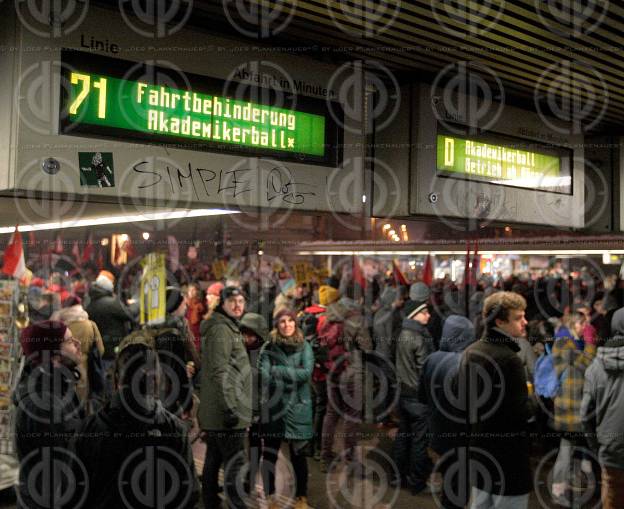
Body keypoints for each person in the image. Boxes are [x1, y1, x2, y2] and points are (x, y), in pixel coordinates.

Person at [69, 341, 200, 508]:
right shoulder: (174, 429)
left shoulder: (89, 429)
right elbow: (189, 494)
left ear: (116, 379)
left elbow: (72, 494)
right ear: (157, 381)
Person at [459, 291, 532, 509]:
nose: (525, 322)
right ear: (499, 322)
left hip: (479, 452)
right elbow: (521, 413)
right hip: (509, 459)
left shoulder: (471, 352)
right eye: (518, 318)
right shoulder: (510, 359)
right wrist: (533, 399)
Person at [13, 321, 84, 509]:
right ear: (53, 356)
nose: (78, 343)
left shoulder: (58, 388)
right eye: (69, 341)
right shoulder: (44, 405)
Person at [198, 286, 251, 509]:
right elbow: (220, 371)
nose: (237, 305)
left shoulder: (226, 326)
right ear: (223, 304)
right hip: (227, 410)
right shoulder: (221, 329)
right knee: (235, 463)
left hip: (219, 409)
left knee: (214, 458)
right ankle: (237, 504)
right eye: (232, 301)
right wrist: (230, 407)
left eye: (241, 301)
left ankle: (210, 501)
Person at [419, 315, 477, 508]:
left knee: (449, 480)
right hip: (462, 435)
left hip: (438, 432)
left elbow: (423, 397)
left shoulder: (431, 359)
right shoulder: (468, 364)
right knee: (460, 487)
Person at [259, 309, 314, 509]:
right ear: (277, 325)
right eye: (282, 321)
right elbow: (264, 378)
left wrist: (278, 370)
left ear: (296, 324)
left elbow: (306, 373)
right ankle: (270, 496)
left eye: (291, 321)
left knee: (299, 456)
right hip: (274, 408)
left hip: (298, 409)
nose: (287, 325)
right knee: (270, 455)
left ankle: (301, 497)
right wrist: (292, 375)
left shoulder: (304, 346)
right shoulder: (268, 347)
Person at [319, 282, 373, 473]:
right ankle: (351, 460)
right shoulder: (356, 318)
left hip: (331, 370)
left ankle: (325, 456)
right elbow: (367, 347)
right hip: (352, 371)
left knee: (331, 414)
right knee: (352, 416)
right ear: (359, 299)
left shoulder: (328, 314)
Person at [551, 313, 596, 504]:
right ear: (573, 323)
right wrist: (590, 342)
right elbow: (586, 363)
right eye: (582, 323)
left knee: (569, 448)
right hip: (569, 407)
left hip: (571, 405)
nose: (584, 326)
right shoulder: (563, 342)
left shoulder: (569, 341)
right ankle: (557, 490)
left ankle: (564, 484)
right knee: (565, 449)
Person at [581, 307, 624, 509]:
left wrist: (597, 448)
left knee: (612, 499)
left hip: (611, 452)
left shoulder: (596, 366)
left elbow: (585, 415)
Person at [392, 295, 434, 494]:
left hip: (403, 394)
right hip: (418, 397)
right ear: (414, 315)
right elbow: (425, 370)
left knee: (403, 436)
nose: (428, 315)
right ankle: (417, 482)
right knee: (419, 441)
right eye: (424, 313)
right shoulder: (420, 337)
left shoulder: (402, 333)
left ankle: (397, 477)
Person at [300, 283, 340, 460]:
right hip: (320, 370)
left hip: (306, 366)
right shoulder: (325, 318)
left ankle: (307, 444)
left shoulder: (306, 313)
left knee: (312, 405)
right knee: (322, 408)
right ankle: (315, 446)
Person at [51, 295, 105, 410]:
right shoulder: (90, 324)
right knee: (81, 402)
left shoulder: (60, 324)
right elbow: (101, 350)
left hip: (61, 366)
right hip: (84, 368)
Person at [239, 312, 270, 496]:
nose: (246, 338)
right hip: (243, 408)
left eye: (250, 334)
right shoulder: (239, 351)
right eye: (244, 334)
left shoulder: (266, 353)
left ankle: (251, 482)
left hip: (260, 409)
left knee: (255, 447)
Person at [85, 270, 132, 393]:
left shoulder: (90, 301)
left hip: (100, 349)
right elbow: (130, 314)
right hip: (112, 349)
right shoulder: (111, 303)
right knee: (112, 381)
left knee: (103, 380)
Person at [185, 283, 206, 353]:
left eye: (193, 290)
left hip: (198, 335)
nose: (191, 292)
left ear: (197, 291)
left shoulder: (200, 305)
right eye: (189, 290)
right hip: (188, 333)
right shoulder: (186, 304)